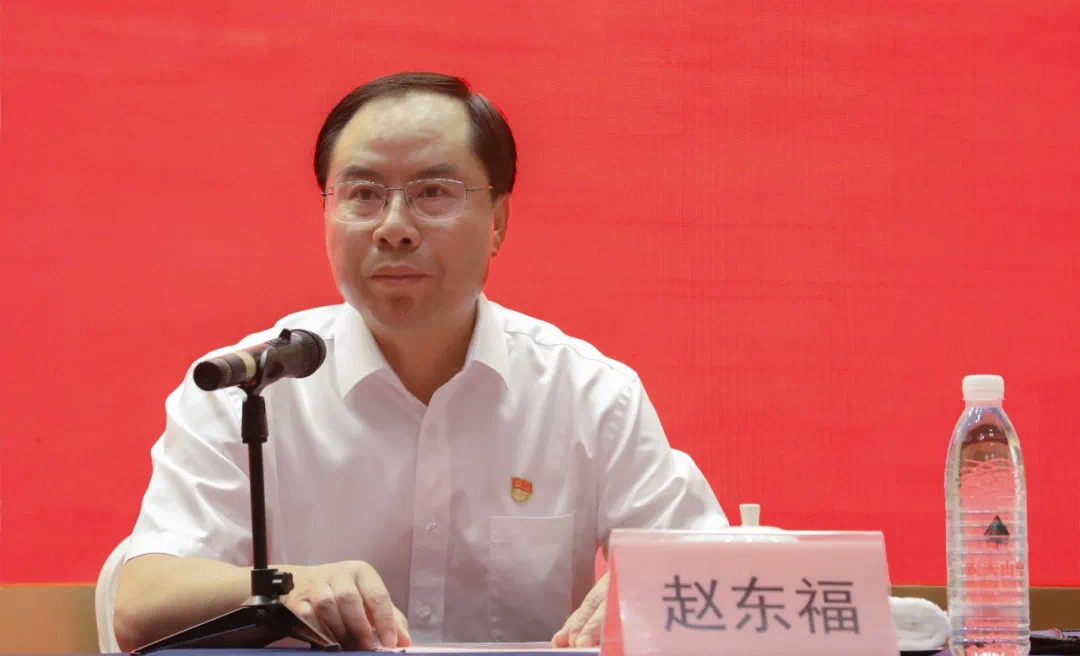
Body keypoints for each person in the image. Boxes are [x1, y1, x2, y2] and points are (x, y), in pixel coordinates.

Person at [113, 71, 727, 652]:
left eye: (433, 193)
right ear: (327, 213)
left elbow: (720, 575)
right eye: (362, 194)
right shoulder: (249, 385)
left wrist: (649, 590)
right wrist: (291, 587)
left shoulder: (588, 394)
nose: (394, 228)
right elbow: (141, 601)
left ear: (498, 221)